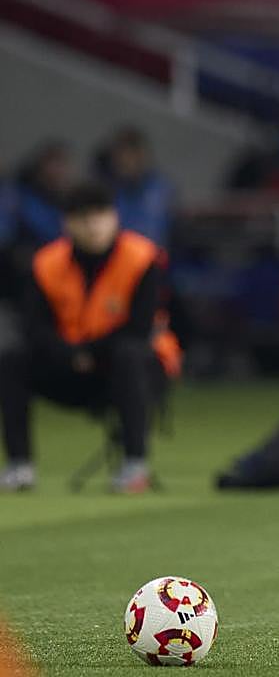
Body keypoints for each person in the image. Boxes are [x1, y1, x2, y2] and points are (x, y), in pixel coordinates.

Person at [0, 183, 182, 493]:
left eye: (101, 215)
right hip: (69, 363)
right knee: (11, 359)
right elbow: (34, 326)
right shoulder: (46, 263)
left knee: (129, 354)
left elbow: (139, 327)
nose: (94, 225)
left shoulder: (142, 257)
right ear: (68, 223)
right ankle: (20, 465)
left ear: (115, 217)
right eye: (84, 218)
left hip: (136, 368)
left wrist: (88, 352)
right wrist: (70, 354)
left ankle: (134, 465)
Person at [95, 126, 175, 248]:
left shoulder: (162, 190)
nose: (124, 161)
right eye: (119, 156)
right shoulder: (105, 191)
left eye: (130, 155)